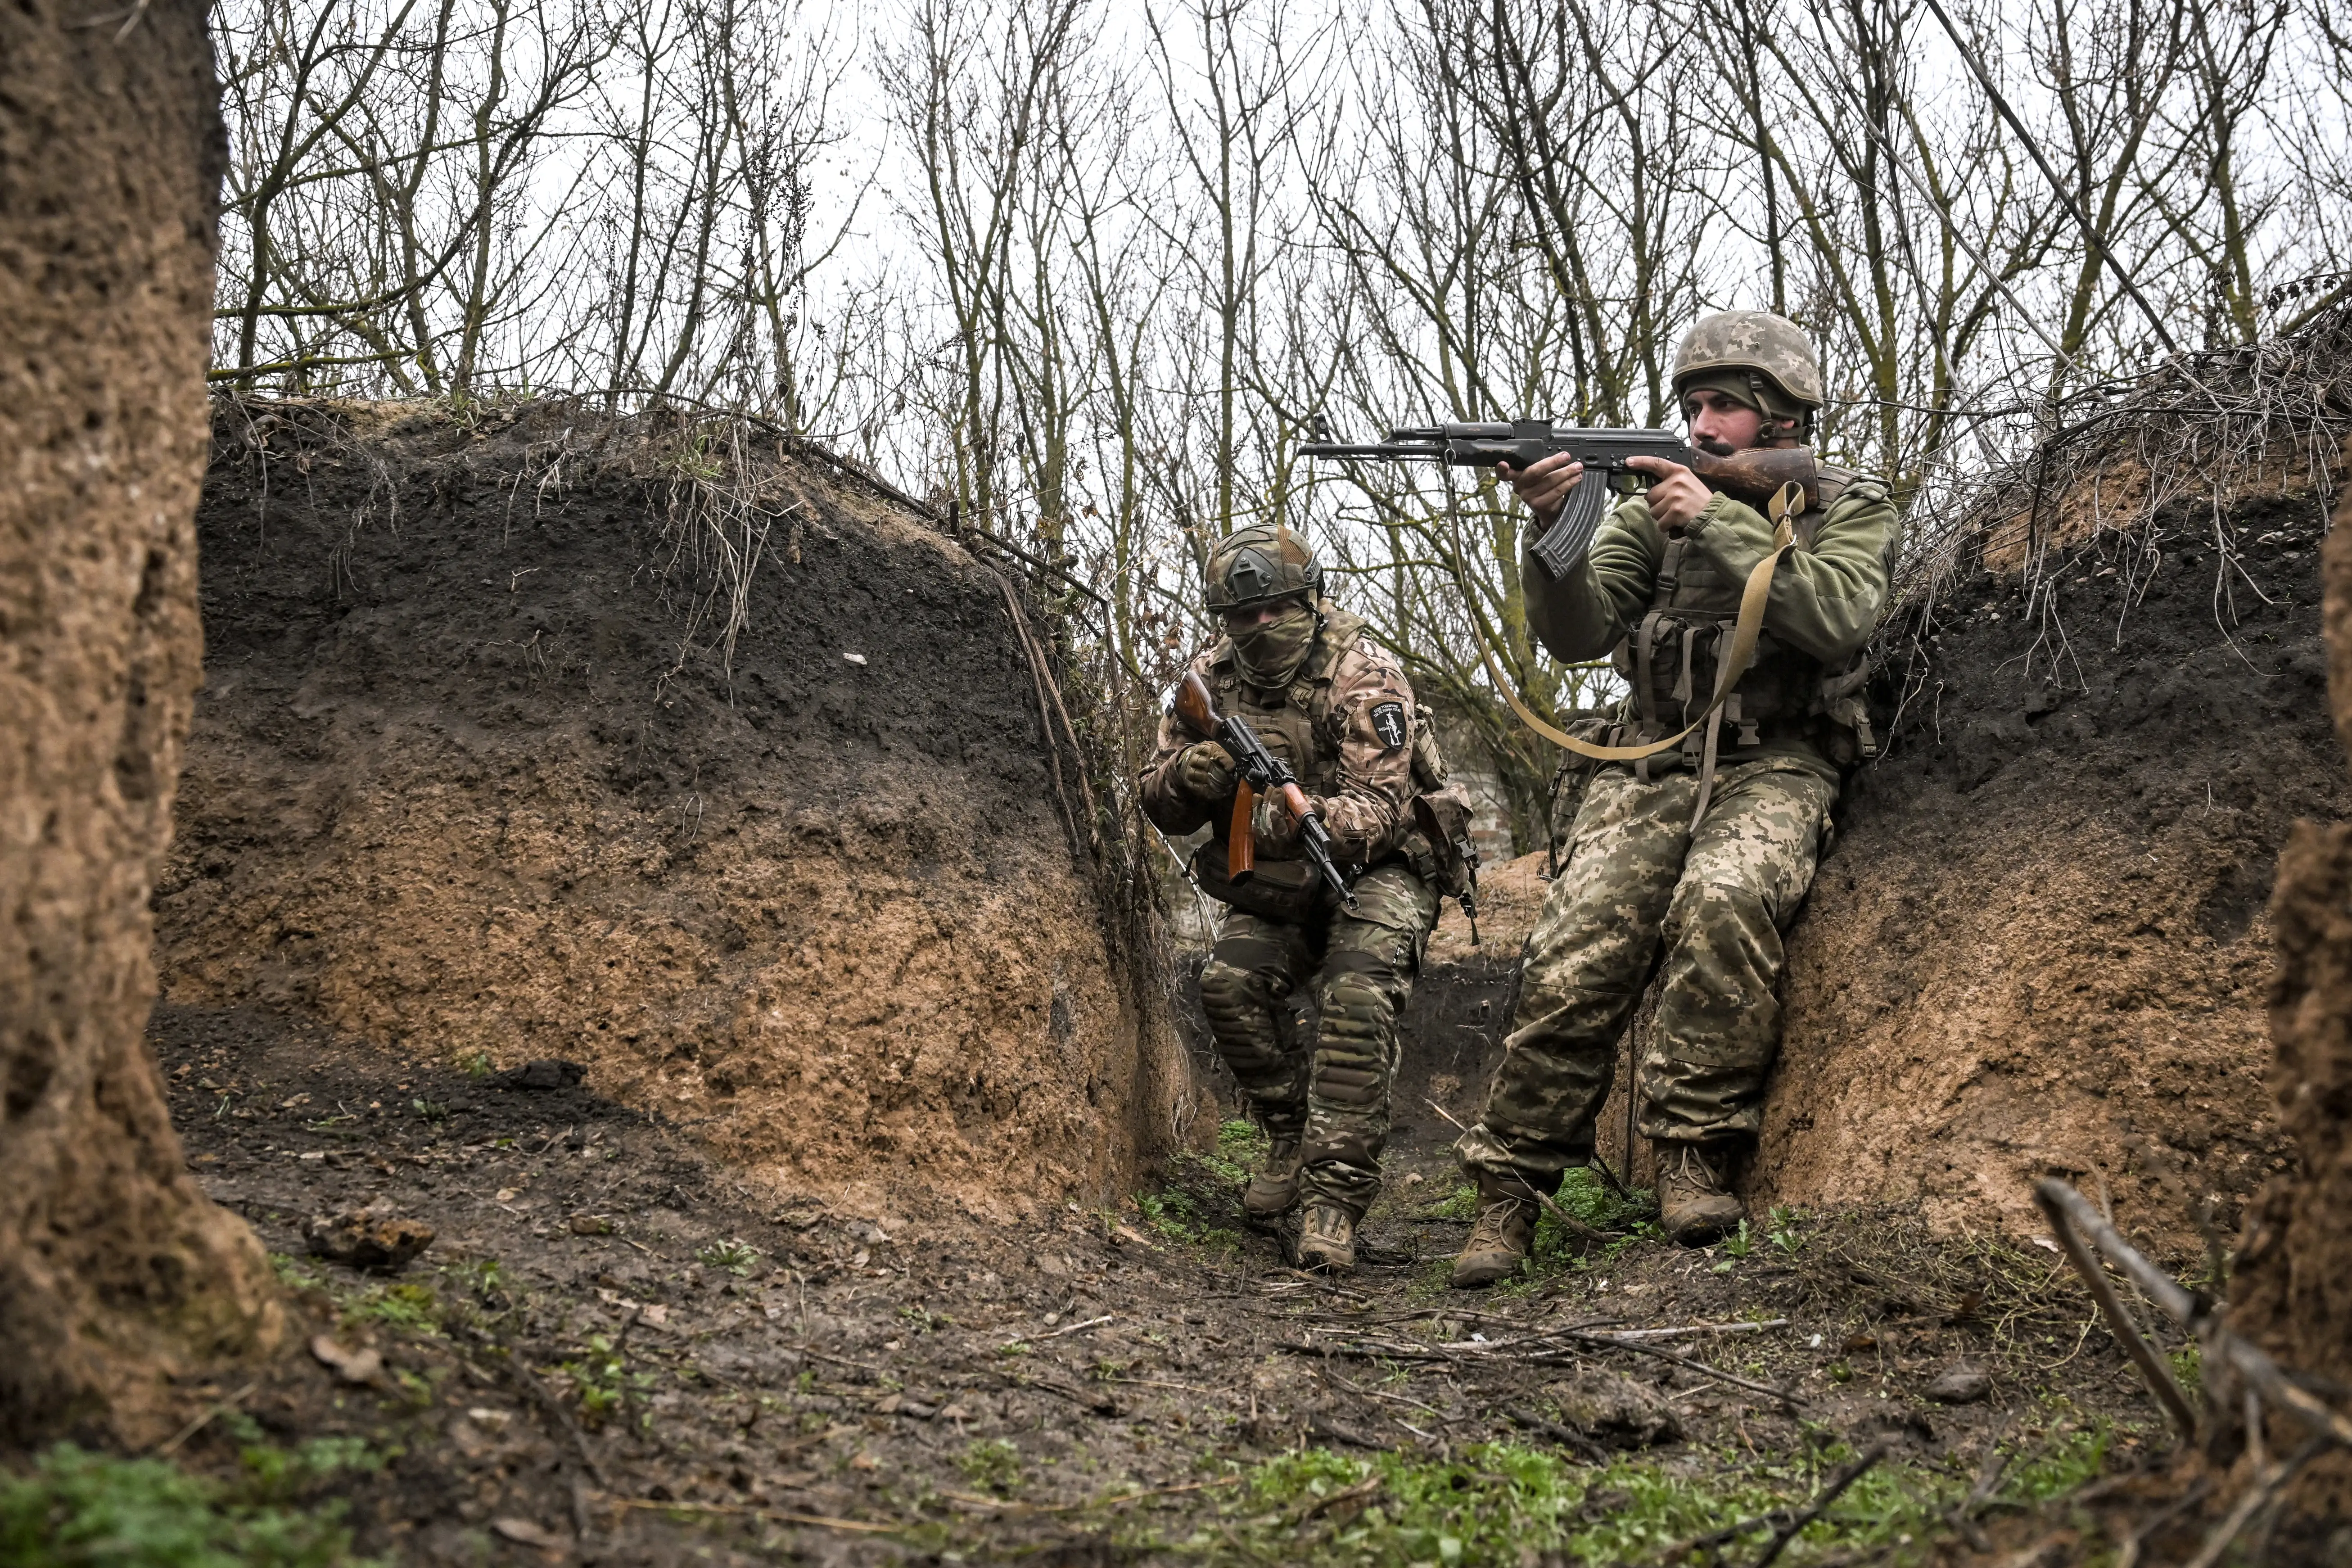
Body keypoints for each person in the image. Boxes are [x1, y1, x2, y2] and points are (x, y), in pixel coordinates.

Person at [1449, 311, 1900, 1285]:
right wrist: (1547, 528)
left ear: (1779, 417)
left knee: (1723, 903)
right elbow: (1573, 637)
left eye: (1725, 408)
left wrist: (1723, 523)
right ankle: (1509, 1192)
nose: (1700, 425)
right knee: (1573, 947)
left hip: (1775, 760)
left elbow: (1836, 617)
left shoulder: (1846, 501)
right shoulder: (1640, 513)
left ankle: (1693, 1158)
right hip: (1648, 764)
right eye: (1691, 406)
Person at [1141, 524, 1468, 1273]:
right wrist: (1189, 778)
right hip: (1282, 881)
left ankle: (1333, 1198)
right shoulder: (1210, 679)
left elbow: (1383, 810)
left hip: (1382, 867)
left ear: (1312, 601)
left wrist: (1308, 819)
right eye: (1241, 617)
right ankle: (1291, 1135)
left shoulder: (1365, 674)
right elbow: (1152, 794)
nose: (1259, 629)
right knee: (1228, 985)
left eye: (1276, 611)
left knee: (1356, 995)